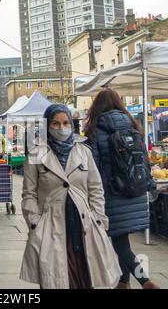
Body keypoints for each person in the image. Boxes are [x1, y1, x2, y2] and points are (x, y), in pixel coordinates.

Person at [20, 104, 122, 289]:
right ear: (47, 125)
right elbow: (29, 193)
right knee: (55, 278)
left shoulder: (84, 151)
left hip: (83, 225)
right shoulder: (36, 154)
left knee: (84, 276)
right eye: (56, 123)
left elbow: (96, 188)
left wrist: (99, 218)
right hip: (51, 226)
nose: (61, 128)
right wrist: (34, 222)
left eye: (66, 123)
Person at [85, 88, 159, 289]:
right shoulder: (134, 128)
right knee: (122, 238)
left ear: (96, 106)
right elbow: (145, 162)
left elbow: (95, 169)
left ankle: (145, 281)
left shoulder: (95, 131)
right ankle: (124, 282)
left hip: (112, 193)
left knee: (120, 242)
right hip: (135, 191)